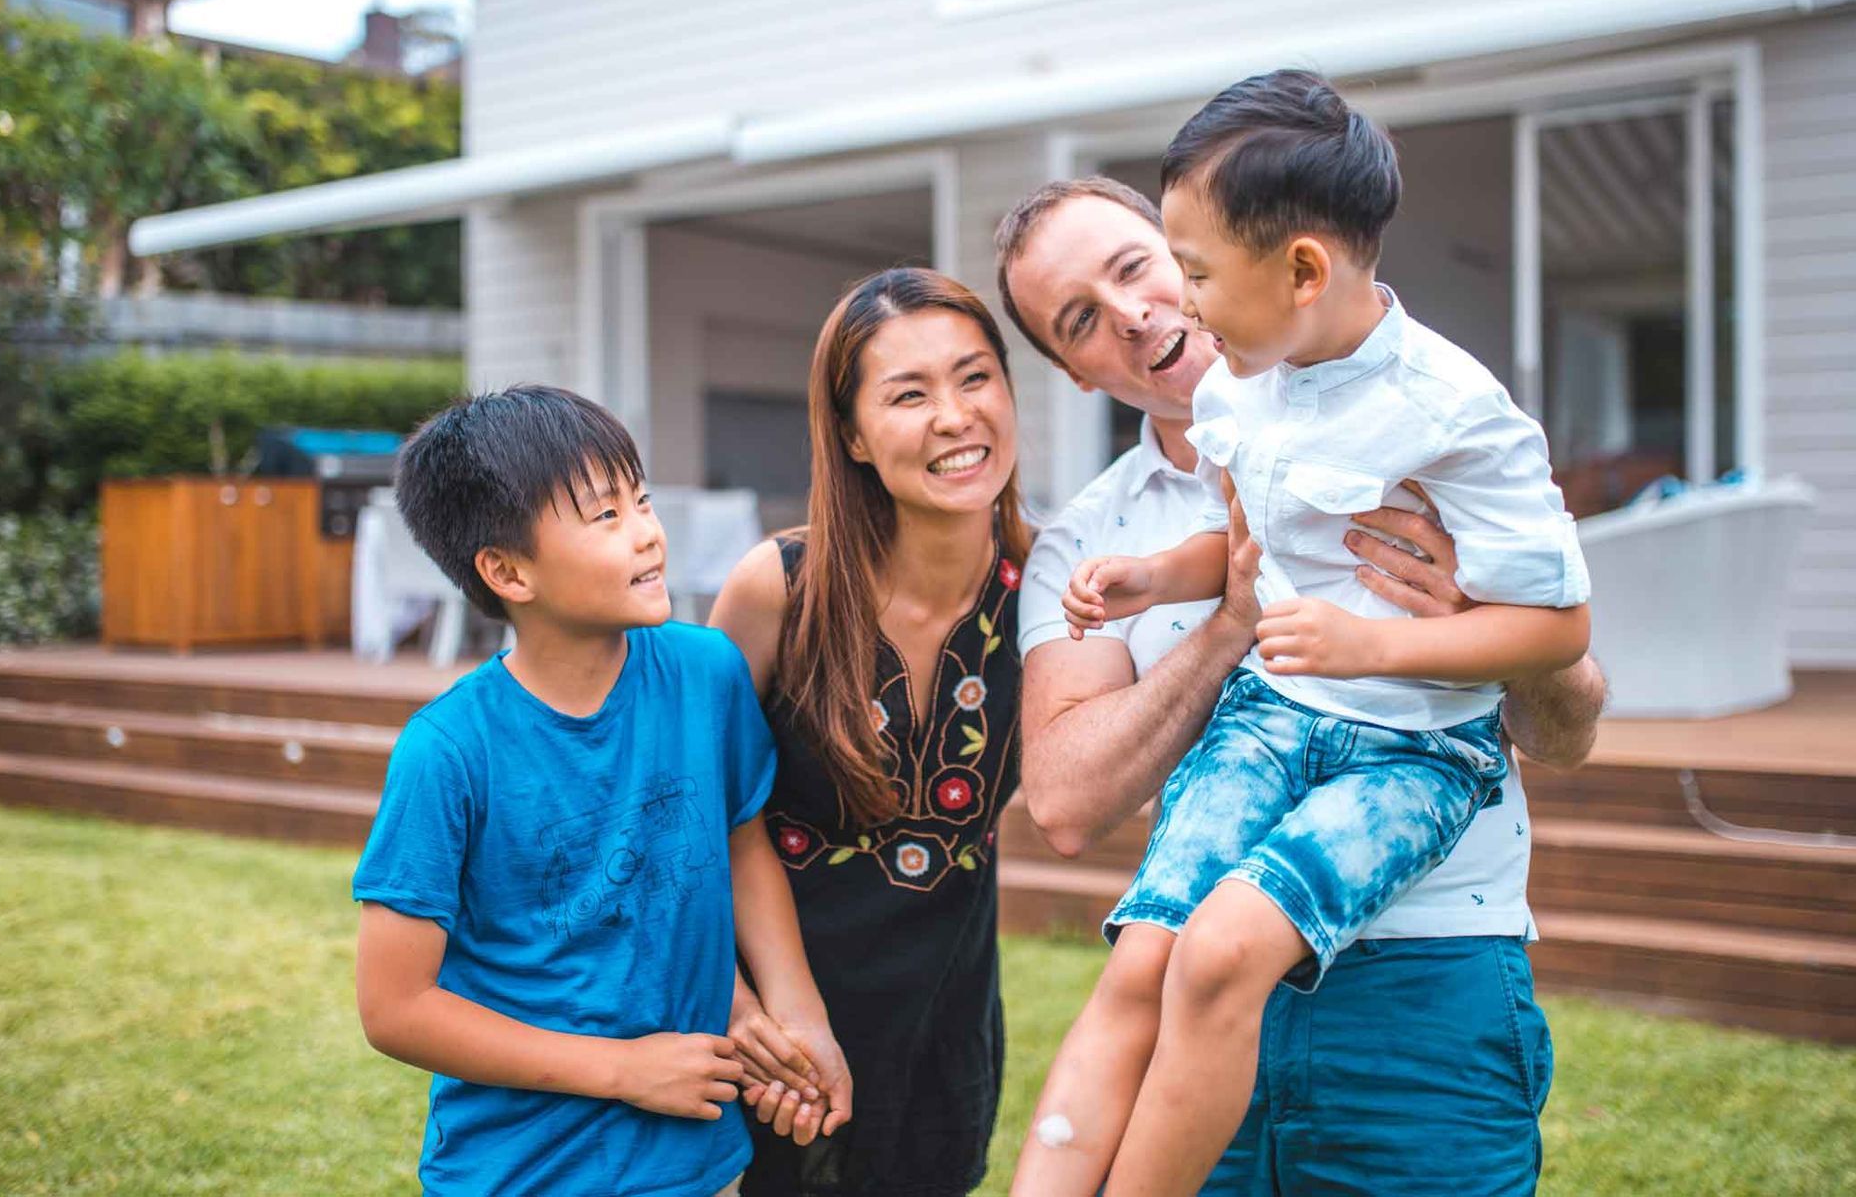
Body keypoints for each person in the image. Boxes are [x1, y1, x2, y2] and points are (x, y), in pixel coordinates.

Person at [995, 159, 1607, 1194]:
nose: (1134, 316)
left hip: (1430, 969)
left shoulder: (1422, 425)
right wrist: (1228, 616)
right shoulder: (1089, 535)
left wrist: (1462, 620)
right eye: (1081, 320)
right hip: (1197, 959)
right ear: (1076, 372)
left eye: (1139, 268)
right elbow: (1060, 800)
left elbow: (1566, 719)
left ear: (1205, 257)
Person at [350, 385, 849, 1197]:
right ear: (508, 571)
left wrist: (796, 1018)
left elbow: (740, 843)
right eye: (605, 517)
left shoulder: (706, 673)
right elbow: (395, 1007)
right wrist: (622, 1070)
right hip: (520, 1170)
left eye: (641, 500)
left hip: (699, 1157)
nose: (649, 534)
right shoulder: (446, 753)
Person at [709, 268, 1030, 1196]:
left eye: (975, 378)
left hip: (946, 1017)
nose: (954, 416)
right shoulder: (778, 588)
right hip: (769, 1022)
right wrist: (772, 1008)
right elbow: (701, 809)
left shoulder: (1056, 589)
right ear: (850, 433)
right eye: (908, 393)